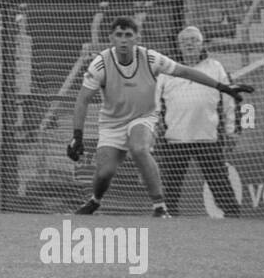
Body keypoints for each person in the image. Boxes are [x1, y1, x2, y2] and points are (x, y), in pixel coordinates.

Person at [67, 16, 252, 218]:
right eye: (118, 35)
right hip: (138, 129)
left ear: (137, 37)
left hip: (174, 127)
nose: (123, 40)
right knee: (106, 173)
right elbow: (83, 99)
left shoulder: (156, 59)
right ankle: (97, 201)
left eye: (128, 35)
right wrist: (77, 135)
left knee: (141, 149)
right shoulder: (101, 63)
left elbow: (189, 74)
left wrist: (222, 88)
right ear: (111, 38)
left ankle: (163, 208)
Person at [155, 26, 241, 217]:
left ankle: (234, 216)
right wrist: (153, 128)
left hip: (208, 137)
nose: (189, 44)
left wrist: (231, 129)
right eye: (185, 40)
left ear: (202, 43)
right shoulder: (167, 69)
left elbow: (228, 99)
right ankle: (166, 220)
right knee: (170, 187)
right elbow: (155, 103)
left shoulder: (215, 67)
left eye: (194, 39)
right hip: (175, 139)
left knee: (220, 183)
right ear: (178, 45)